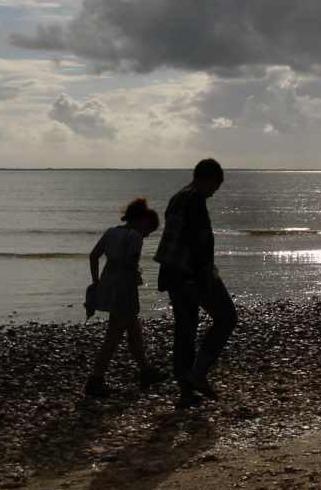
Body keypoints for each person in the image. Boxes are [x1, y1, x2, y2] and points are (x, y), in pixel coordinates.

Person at [155, 158, 238, 408]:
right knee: (227, 317)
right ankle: (199, 373)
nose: (214, 193)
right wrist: (207, 275)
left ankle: (185, 392)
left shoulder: (176, 197)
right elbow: (197, 239)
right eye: (215, 187)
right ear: (207, 179)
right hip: (191, 273)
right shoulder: (195, 199)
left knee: (185, 330)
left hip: (171, 273)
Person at [84, 197, 169, 397]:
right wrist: (135, 299)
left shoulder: (112, 232)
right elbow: (130, 269)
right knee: (113, 337)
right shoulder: (134, 237)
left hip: (108, 283)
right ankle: (95, 380)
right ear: (142, 222)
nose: (147, 235)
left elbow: (93, 256)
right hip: (122, 288)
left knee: (134, 330)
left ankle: (146, 371)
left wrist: (96, 282)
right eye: (149, 230)